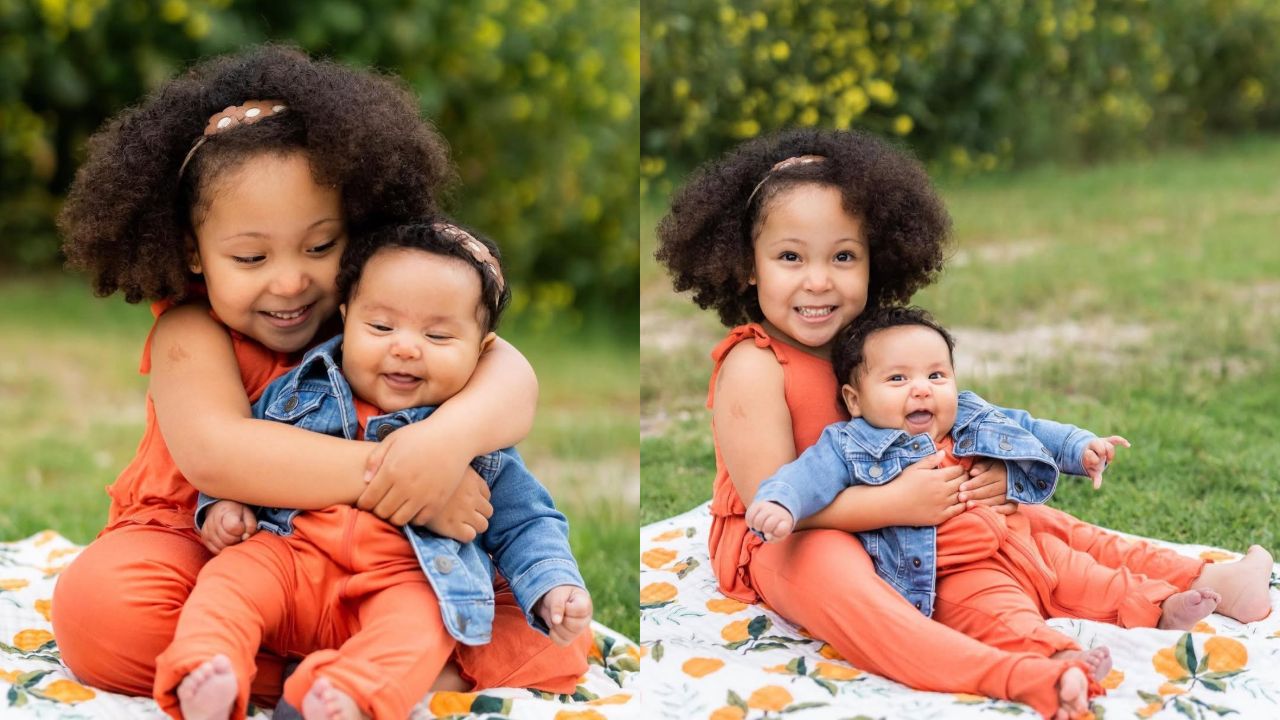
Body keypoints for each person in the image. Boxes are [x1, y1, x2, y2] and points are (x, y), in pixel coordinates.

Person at [654, 127, 1273, 720]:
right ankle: (1015, 672)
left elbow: (953, 419)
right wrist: (898, 504)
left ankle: (1206, 579)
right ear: (748, 264)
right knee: (832, 573)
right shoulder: (754, 365)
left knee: (1040, 527)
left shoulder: (867, 344)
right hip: (788, 534)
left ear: (876, 259)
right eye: (790, 257)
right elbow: (773, 505)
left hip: (909, 512)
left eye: (844, 256)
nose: (819, 281)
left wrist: (984, 480)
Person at [52, 45, 592, 709]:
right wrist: (406, 479)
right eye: (250, 256)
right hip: (218, 543)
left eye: (319, 246)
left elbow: (511, 374)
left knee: (559, 636)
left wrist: (441, 447)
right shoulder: (190, 332)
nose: (290, 281)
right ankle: (348, 673)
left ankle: (345, 670)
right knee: (100, 612)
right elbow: (220, 456)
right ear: (193, 250)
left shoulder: (377, 319)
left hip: (391, 567)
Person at [153, 220, 593, 720]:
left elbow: (528, 522)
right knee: (228, 583)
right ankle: (209, 665)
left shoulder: (475, 443)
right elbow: (251, 455)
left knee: (424, 622)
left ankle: (345, 693)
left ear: (482, 348)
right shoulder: (301, 390)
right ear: (345, 320)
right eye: (380, 328)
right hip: (290, 554)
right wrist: (224, 506)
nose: (405, 347)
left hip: (404, 576)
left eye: (439, 334)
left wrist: (553, 583)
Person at [747, 305, 1230, 683]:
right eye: (897, 379)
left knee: (1090, 576)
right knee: (1002, 616)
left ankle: (1162, 605)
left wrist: (1080, 446)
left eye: (936, 376)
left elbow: (1026, 427)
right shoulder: (848, 444)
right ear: (855, 399)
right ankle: (1056, 655)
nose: (921, 390)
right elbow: (804, 476)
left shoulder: (968, 416)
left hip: (1022, 544)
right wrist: (780, 503)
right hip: (957, 571)